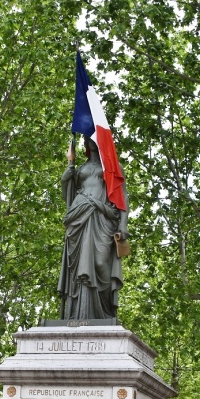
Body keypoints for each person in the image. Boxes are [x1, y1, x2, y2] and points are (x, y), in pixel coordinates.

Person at [58, 136, 129, 320]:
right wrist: (70, 164)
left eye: (95, 137)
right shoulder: (81, 168)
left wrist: (123, 223)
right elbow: (68, 189)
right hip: (79, 216)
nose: (91, 140)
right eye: (88, 138)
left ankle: (104, 313)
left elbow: (122, 197)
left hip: (102, 217)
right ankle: (76, 313)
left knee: (99, 263)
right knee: (77, 270)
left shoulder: (113, 167)